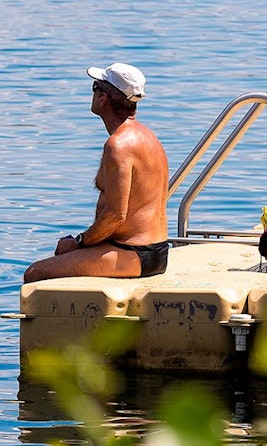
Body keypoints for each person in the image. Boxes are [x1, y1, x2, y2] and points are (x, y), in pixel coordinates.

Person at [23, 63, 169, 283]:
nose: (92, 94)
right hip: (150, 250)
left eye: (95, 87)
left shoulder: (118, 145)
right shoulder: (147, 136)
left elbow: (115, 215)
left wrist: (78, 243)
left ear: (104, 99)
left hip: (135, 253)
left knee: (34, 274)